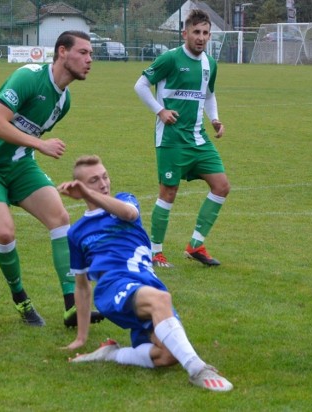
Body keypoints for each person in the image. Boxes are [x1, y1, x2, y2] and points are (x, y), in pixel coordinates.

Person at [0, 31, 103, 328]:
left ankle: (71, 306)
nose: (90, 60)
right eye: (83, 52)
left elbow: (24, 139)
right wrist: (40, 144)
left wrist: (32, 148)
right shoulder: (28, 77)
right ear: (62, 52)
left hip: (20, 165)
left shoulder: (63, 102)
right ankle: (20, 298)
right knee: (4, 234)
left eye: (91, 54)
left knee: (60, 218)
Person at [59, 155, 233, 392]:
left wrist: (89, 194)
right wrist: (80, 337)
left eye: (105, 176)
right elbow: (81, 285)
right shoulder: (77, 232)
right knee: (161, 299)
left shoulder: (124, 201)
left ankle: (113, 354)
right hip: (114, 285)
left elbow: (129, 214)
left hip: (148, 283)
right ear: (80, 186)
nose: (103, 184)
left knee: (166, 355)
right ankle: (198, 369)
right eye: (93, 181)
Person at [134, 9, 230, 268]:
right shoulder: (170, 59)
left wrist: (215, 119)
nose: (201, 38)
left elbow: (208, 94)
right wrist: (160, 110)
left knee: (221, 186)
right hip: (171, 139)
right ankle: (156, 252)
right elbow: (140, 85)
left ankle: (195, 245)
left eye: (206, 33)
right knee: (168, 192)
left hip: (198, 138)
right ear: (184, 33)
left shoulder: (211, 63)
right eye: (196, 32)